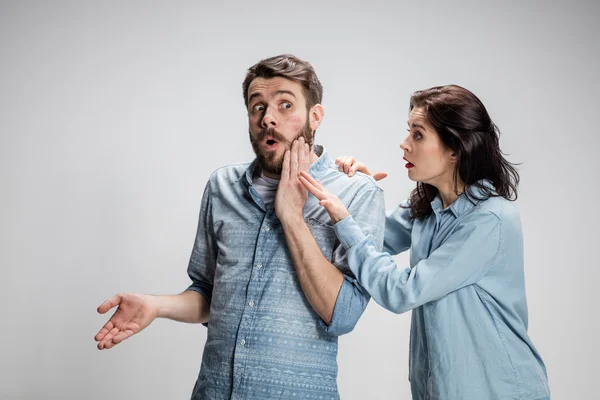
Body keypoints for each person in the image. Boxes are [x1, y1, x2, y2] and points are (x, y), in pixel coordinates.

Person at [94, 54, 385, 400]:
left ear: (315, 116)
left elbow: (343, 315)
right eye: (257, 107)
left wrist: (291, 216)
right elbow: (208, 294)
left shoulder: (356, 194)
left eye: (285, 104)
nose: (268, 119)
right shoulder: (222, 186)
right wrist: (157, 306)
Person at [298, 85, 551, 399]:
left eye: (418, 135)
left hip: (498, 390)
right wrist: (361, 194)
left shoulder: (491, 219)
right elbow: (368, 243)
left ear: (455, 148)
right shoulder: (425, 206)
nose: (404, 145)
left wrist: (347, 221)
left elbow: (402, 291)